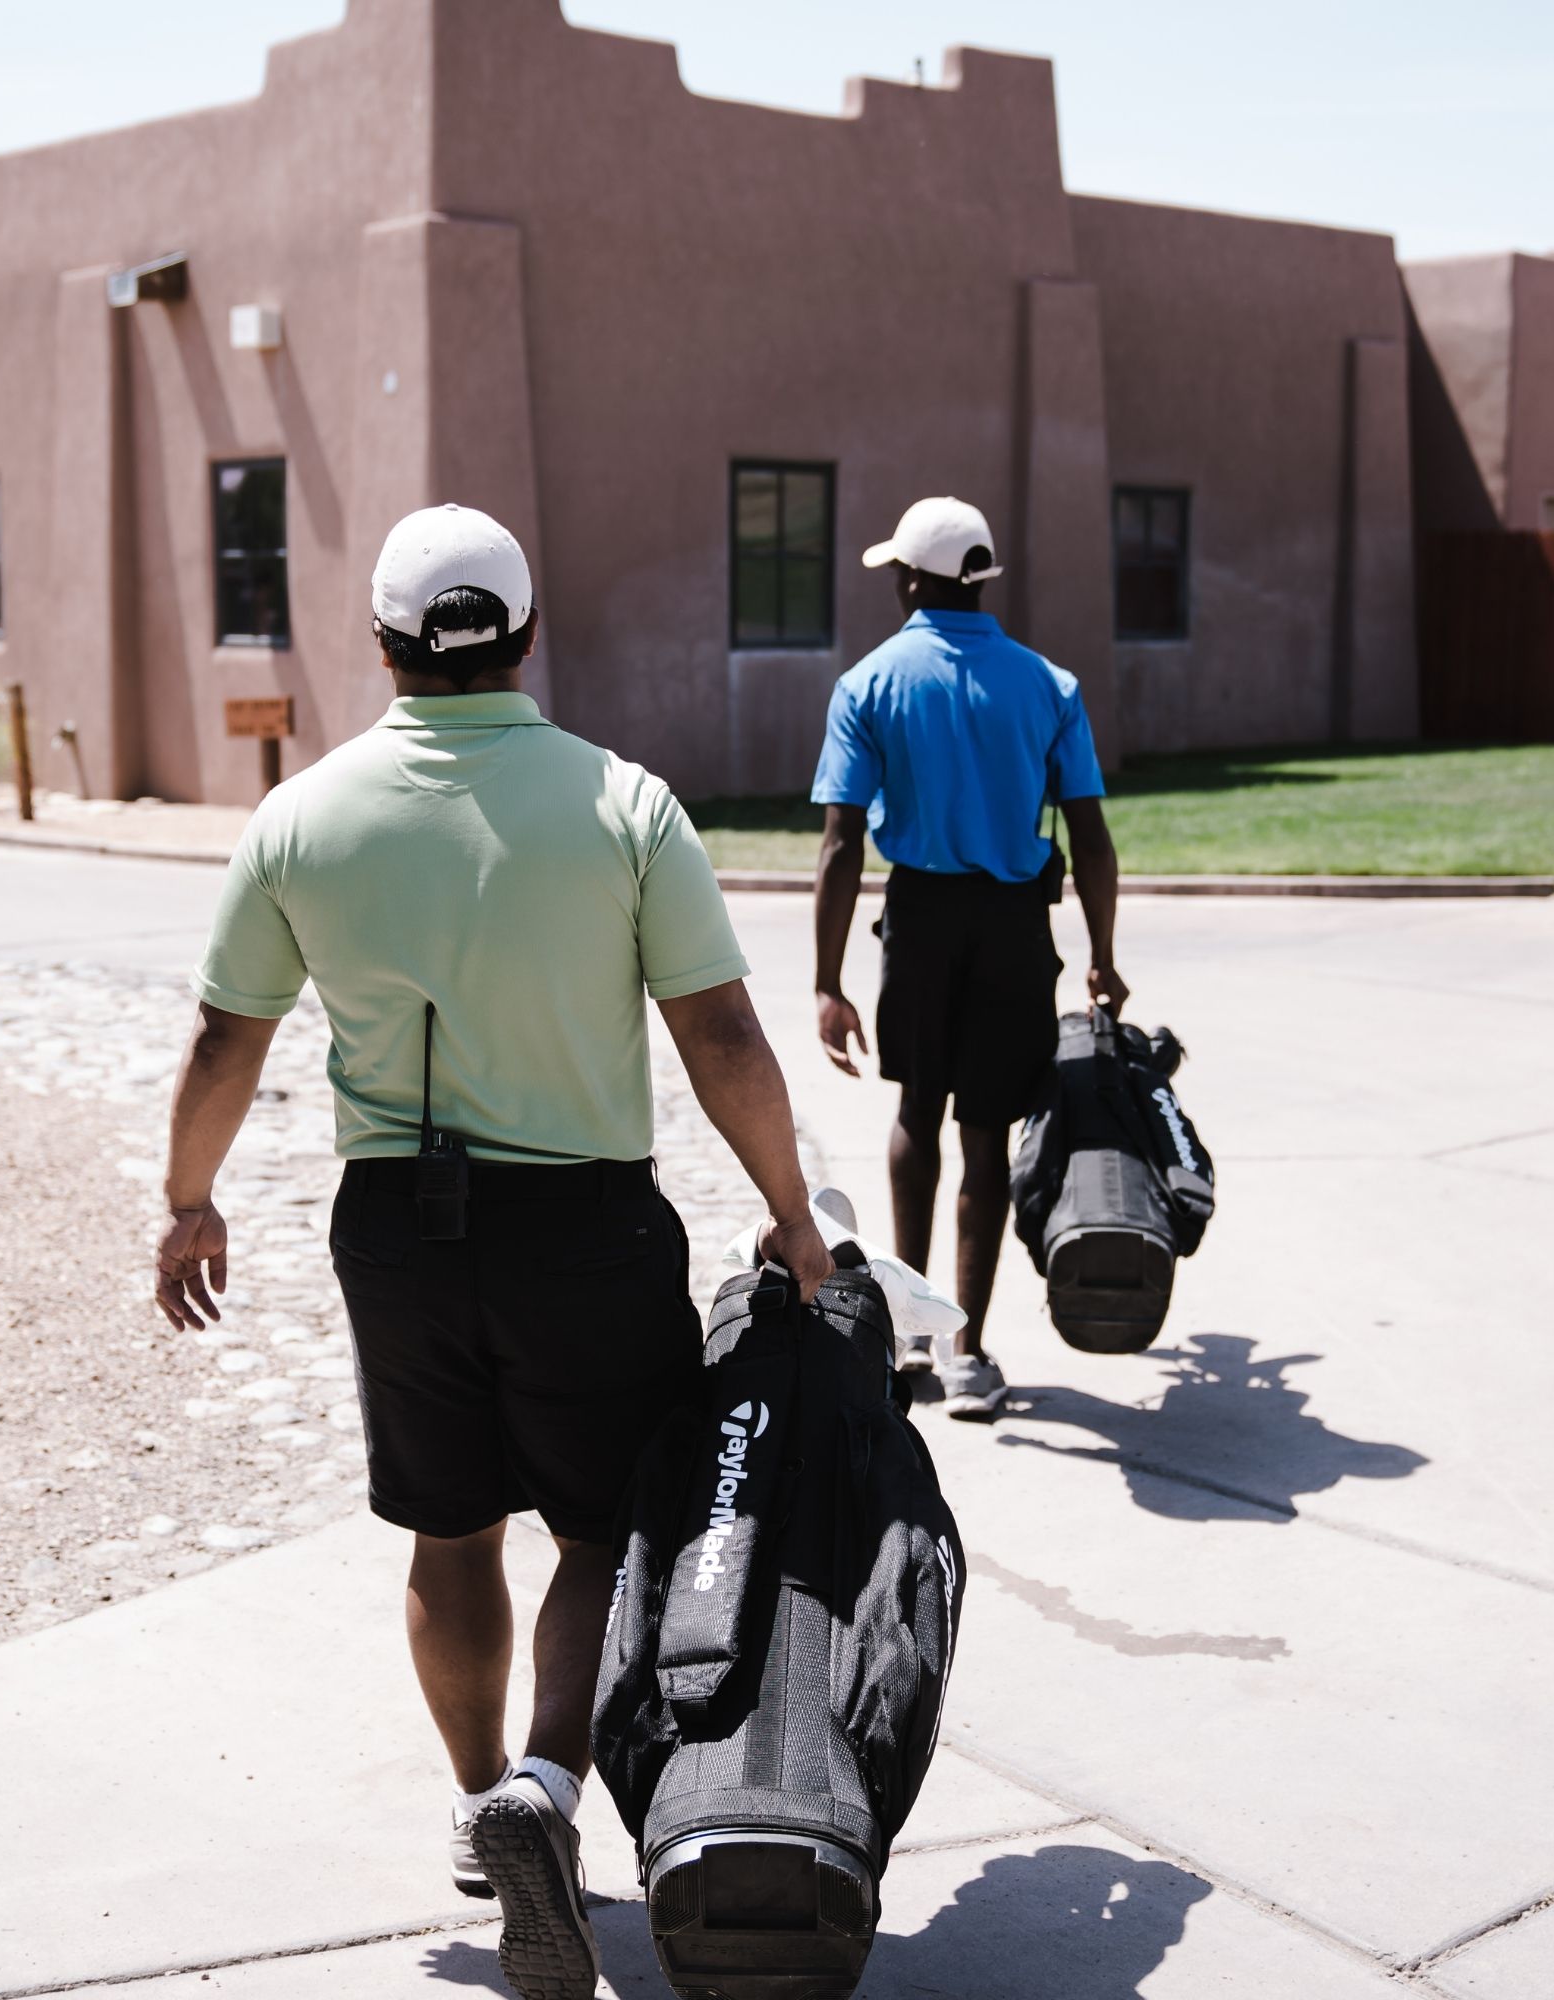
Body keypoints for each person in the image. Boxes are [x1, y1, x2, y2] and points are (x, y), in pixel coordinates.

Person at [156, 504, 830, 2000]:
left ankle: (477, 1811)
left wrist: (188, 1197)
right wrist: (791, 1213)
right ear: (527, 631)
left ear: (384, 641)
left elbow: (225, 1036)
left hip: (395, 1228)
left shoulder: (302, 818)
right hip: (586, 1221)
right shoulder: (626, 804)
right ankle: (545, 1782)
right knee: (600, 1532)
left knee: (447, 1530)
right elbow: (720, 1032)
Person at [810, 495, 1124, 1422]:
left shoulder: (870, 683)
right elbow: (1093, 837)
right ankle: (971, 1351)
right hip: (1018, 927)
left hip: (922, 918)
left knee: (918, 1112)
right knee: (986, 1132)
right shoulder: (1048, 684)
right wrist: (1103, 954)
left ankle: (909, 1347)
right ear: (979, 579)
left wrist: (828, 983)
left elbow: (839, 846)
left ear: (911, 578)